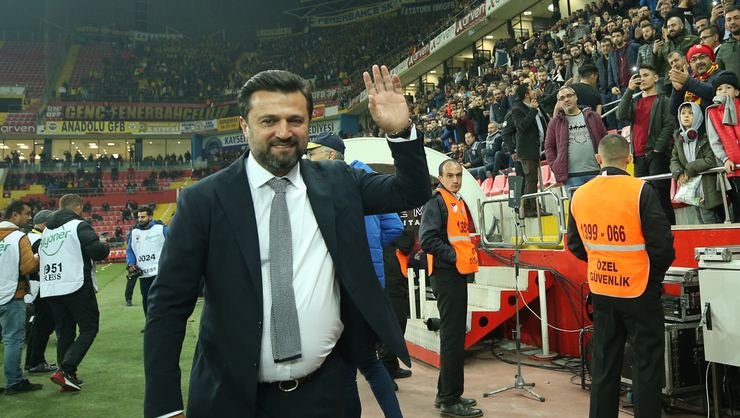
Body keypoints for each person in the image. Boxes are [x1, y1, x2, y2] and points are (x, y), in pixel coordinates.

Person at [143, 66, 431, 418]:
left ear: (309, 124)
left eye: (295, 120)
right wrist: (165, 409)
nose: (283, 132)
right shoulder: (203, 201)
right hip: (232, 399)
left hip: (325, 395)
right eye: (269, 121)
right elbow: (168, 306)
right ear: (245, 126)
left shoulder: (339, 182)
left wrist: (400, 132)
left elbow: (410, 191)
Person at [568, 134, 676, 418]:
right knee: (647, 367)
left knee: (604, 366)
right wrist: (652, 278)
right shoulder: (641, 190)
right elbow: (662, 246)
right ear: (629, 159)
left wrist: (602, 262)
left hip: (602, 291)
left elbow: (575, 245)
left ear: (598, 159)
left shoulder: (580, 194)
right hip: (639, 290)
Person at [305, 131, 404, 417]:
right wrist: (371, 249)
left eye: (313, 153)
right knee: (368, 361)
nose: (308, 158)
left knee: (347, 369)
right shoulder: (368, 178)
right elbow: (395, 226)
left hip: (344, 286)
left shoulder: (332, 185)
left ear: (331, 155)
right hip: (372, 285)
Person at [420, 159, 483, 418]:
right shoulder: (436, 202)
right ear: (441, 178)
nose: (455, 180)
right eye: (450, 175)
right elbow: (427, 240)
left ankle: (445, 393)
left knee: (453, 336)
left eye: (458, 175)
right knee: (453, 337)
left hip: (454, 274)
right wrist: (455, 257)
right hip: (446, 274)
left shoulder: (455, 201)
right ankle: (450, 399)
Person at [40, 194, 110, 392]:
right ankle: (66, 369)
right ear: (78, 207)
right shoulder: (78, 225)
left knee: (65, 331)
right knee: (89, 328)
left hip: (52, 286)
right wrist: (104, 244)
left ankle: (67, 376)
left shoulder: (47, 231)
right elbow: (97, 252)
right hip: (75, 283)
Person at [617, 64, 677, 224]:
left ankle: (670, 230)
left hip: (657, 155)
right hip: (639, 157)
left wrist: (658, 148)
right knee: (642, 199)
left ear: (656, 78)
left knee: (661, 197)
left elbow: (669, 125)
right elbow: (620, 114)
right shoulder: (635, 103)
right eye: (639, 76)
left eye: (646, 75)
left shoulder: (664, 100)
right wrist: (629, 90)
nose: (642, 79)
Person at [0, 200, 42, 395]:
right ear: (15, 215)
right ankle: (14, 382)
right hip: (12, 294)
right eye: (26, 213)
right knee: (12, 339)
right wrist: (37, 258)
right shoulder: (18, 237)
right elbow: (27, 267)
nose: (29, 217)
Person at [545, 86, 608, 194]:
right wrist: (555, 166)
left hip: (597, 172)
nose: (566, 99)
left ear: (576, 97)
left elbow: (605, 139)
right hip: (571, 177)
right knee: (577, 205)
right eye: (562, 98)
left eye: (569, 96)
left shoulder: (593, 117)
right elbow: (549, 147)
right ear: (559, 102)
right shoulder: (554, 123)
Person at [669, 101, 724, 223]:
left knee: (709, 219)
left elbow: (710, 161)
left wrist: (689, 169)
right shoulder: (678, 138)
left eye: (690, 113)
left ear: (698, 115)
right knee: (700, 220)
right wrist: (678, 173)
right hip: (691, 188)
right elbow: (674, 159)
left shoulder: (705, 136)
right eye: (683, 113)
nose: (686, 116)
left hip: (707, 188)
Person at [23, 209, 58, 374]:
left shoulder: (29, 237)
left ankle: (32, 361)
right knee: (43, 325)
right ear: (46, 224)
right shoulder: (39, 239)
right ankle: (36, 361)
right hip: (41, 286)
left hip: (34, 286)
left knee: (39, 324)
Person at [507, 84, 548, 218]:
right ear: (526, 94)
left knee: (532, 179)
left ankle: (531, 207)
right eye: (531, 90)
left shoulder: (533, 105)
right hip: (525, 150)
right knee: (529, 180)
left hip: (536, 148)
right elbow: (521, 127)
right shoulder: (518, 109)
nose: (533, 91)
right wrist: (533, 111)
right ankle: (530, 209)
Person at [706, 70, 740, 221]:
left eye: (728, 87)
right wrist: (725, 159)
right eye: (719, 89)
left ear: (737, 92)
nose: (724, 91)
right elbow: (714, 141)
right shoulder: (712, 112)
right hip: (733, 169)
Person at [125, 207, 167, 316]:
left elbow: (173, 245)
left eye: (143, 217)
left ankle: (162, 322)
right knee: (146, 300)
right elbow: (130, 250)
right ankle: (149, 323)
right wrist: (131, 264)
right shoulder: (134, 233)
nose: (140, 219)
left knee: (161, 299)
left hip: (160, 272)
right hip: (143, 274)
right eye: (139, 217)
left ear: (150, 216)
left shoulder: (161, 229)